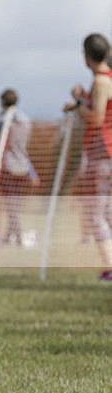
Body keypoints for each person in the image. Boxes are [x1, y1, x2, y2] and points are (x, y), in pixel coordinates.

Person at [64, 33, 112, 280]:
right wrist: (83, 100)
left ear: (86, 55)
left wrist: (77, 105)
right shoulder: (105, 79)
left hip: (103, 152)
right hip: (104, 153)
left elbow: (97, 118)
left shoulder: (101, 81)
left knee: (97, 214)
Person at [0, 89, 39, 245]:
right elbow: (24, 149)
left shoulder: (3, 121)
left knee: (11, 205)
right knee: (14, 203)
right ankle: (9, 235)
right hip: (23, 167)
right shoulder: (25, 121)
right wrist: (32, 172)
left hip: (8, 167)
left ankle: (18, 235)